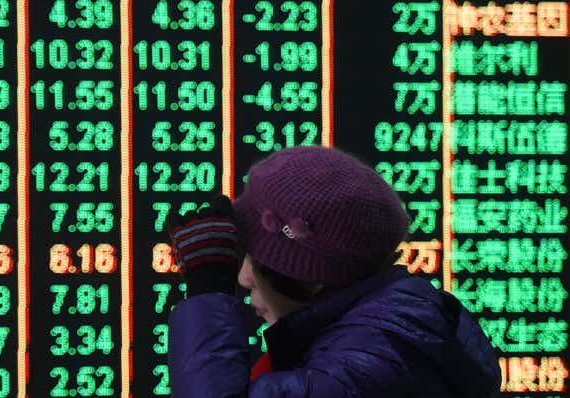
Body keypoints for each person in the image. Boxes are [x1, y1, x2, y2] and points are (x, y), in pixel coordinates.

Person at [167, 146, 501, 397]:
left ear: (311, 281)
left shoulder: (370, 363)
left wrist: (208, 293)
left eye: (256, 259)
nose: (242, 277)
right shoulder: (392, 332)